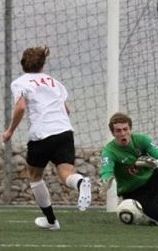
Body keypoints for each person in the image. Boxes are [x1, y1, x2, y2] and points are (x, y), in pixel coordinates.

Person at [2, 46, 91, 231]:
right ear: (43, 65)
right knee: (66, 174)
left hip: (41, 134)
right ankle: (81, 182)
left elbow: (20, 108)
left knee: (34, 176)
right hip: (65, 131)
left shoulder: (20, 82)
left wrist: (9, 131)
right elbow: (66, 110)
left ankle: (51, 221)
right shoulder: (55, 82)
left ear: (22, 63)